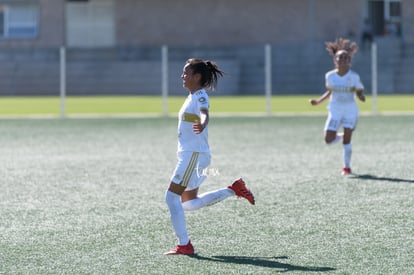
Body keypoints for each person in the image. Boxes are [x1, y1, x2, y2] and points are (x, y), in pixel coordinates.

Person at [164, 58, 255, 255]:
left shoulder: (200, 96)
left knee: (171, 198)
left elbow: (204, 113)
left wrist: (203, 122)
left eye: (186, 72)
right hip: (193, 156)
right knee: (188, 204)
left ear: (197, 77)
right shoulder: (191, 96)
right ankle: (234, 189)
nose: (183, 76)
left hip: (193, 156)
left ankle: (184, 245)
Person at [309, 38, 365, 175]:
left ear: (349, 61)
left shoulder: (354, 77)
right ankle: (340, 135)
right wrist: (318, 101)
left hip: (350, 110)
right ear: (335, 60)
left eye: (346, 57)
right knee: (328, 140)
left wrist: (361, 96)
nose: (343, 60)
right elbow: (330, 91)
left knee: (347, 140)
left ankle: (346, 167)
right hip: (335, 110)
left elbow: (359, 91)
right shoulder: (330, 76)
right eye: (340, 57)